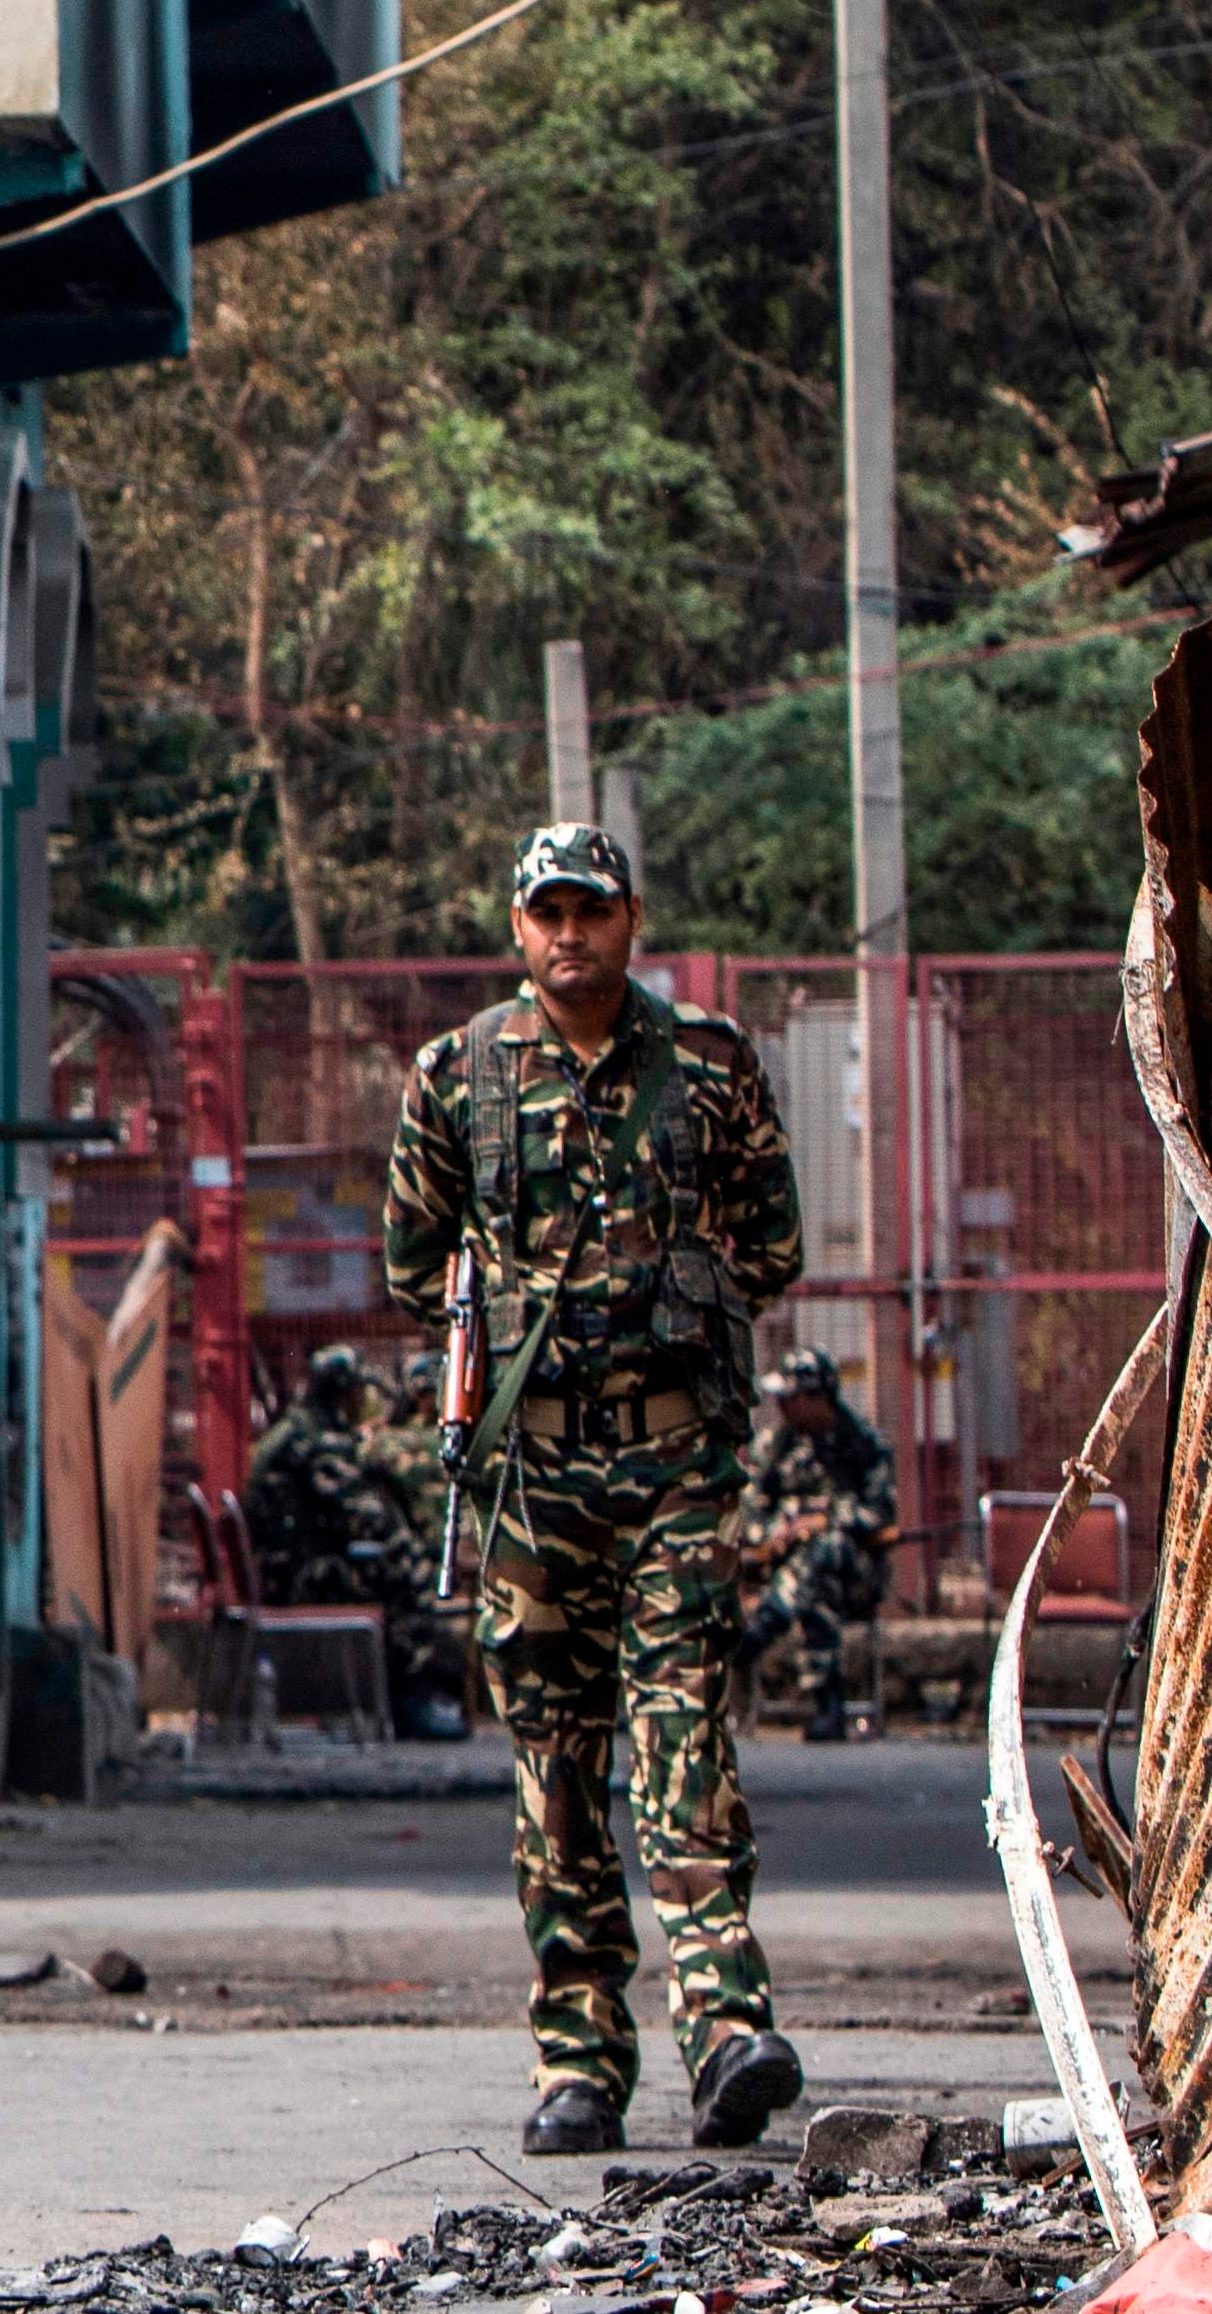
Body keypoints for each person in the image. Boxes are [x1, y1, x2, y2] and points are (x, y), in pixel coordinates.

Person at [378, 821, 808, 2164]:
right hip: (529, 1476)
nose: (570, 933)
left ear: (633, 920)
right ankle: (578, 2058)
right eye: (547, 910)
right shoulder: (455, 1077)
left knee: (681, 1729)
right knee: (557, 1767)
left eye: (594, 909)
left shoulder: (710, 1067)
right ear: (518, 928)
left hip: (676, 1459)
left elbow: (773, 1239)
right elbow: (411, 1262)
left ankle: (726, 2028)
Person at [242, 1342, 473, 1741]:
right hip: (300, 1577)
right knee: (408, 1571)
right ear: (344, 1391)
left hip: (285, 1568)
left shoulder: (297, 1429)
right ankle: (410, 1701)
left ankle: (405, 1696)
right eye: (357, 1391)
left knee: (398, 1563)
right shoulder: (316, 1441)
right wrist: (414, 1548)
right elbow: (365, 1517)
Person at [737, 1348, 902, 1743]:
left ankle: (763, 1628)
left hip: (854, 1571)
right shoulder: (775, 1445)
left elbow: (880, 1513)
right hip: (788, 1570)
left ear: (818, 1397)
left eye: (790, 1398)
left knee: (825, 1548)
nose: (781, 1406)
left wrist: (824, 1519)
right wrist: (781, 1531)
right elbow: (751, 1509)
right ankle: (829, 1704)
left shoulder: (863, 1443)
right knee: (813, 1579)